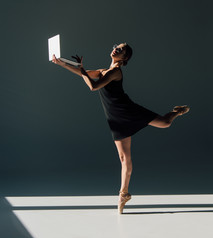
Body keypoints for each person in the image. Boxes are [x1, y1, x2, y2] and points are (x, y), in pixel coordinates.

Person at [51, 42, 190, 214]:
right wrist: (63, 63)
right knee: (124, 159)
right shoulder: (103, 71)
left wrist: (81, 68)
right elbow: (84, 74)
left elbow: (92, 86)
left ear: (124, 58)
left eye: (121, 49)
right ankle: (124, 193)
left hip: (128, 110)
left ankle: (176, 112)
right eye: (117, 46)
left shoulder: (116, 72)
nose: (116, 48)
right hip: (116, 119)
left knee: (165, 123)